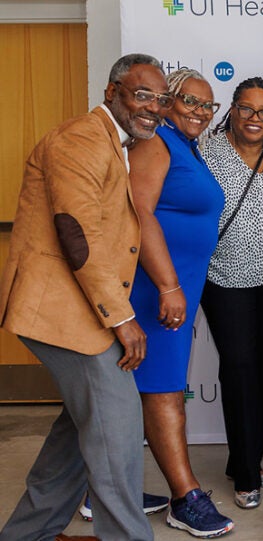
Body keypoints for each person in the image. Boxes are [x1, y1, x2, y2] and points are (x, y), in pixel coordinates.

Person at [0, 53, 165, 541]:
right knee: (116, 435)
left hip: (80, 309)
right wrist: (122, 317)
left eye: (160, 98)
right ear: (112, 91)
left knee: (79, 432)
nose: (153, 107)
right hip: (62, 311)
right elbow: (77, 233)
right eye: (142, 94)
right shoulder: (80, 138)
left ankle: (25, 534)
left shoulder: (115, 142)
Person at [124, 67, 233, 538]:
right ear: (167, 101)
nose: (200, 112)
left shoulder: (187, 147)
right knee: (166, 391)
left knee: (138, 393)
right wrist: (168, 286)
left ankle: (108, 491)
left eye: (208, 106)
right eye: (190, 101)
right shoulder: (156, 143)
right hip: (154, 289)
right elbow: (138, 211)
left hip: (175, 287)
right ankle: (185, 497)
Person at [201, 76, 263, 509]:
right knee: (238, 368)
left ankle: (246, 461)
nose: (255, 118)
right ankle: (246, 473)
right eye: (247, 109)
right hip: (223, 280)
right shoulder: (206, 152)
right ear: (232, 110)